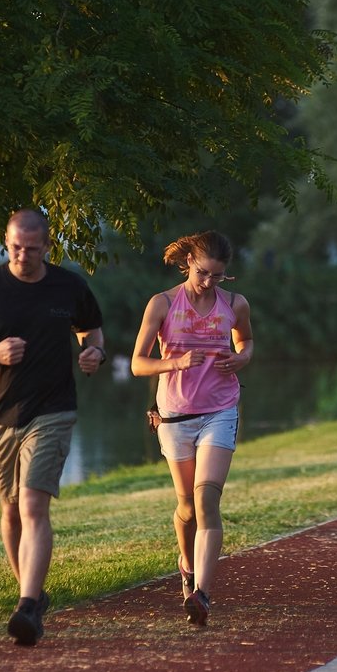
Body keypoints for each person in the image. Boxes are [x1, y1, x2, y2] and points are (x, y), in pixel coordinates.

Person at [0, 208, 106, 646]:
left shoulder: (68, 286)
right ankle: (28, 594)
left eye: (32, 249)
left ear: (47, 247)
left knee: (33, 505)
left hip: (52, 410)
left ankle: (28, 607)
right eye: (16, 247)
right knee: (10, 510)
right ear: (5, 242)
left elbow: (91, 330)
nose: (23, 256)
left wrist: (93, 354)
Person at [130, 230, 253, 626]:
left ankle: (202, 593)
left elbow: (246, 342)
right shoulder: (163, 304)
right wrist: (175, 363)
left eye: (218, 276)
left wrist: (240, 359)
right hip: (175, 416)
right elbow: (137, 363)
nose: (208, 283)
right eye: (203, 273)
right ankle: (186, 566)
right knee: (185, 507)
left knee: (207, 501)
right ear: (188, 263)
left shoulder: (235, 303)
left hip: (220, 411)